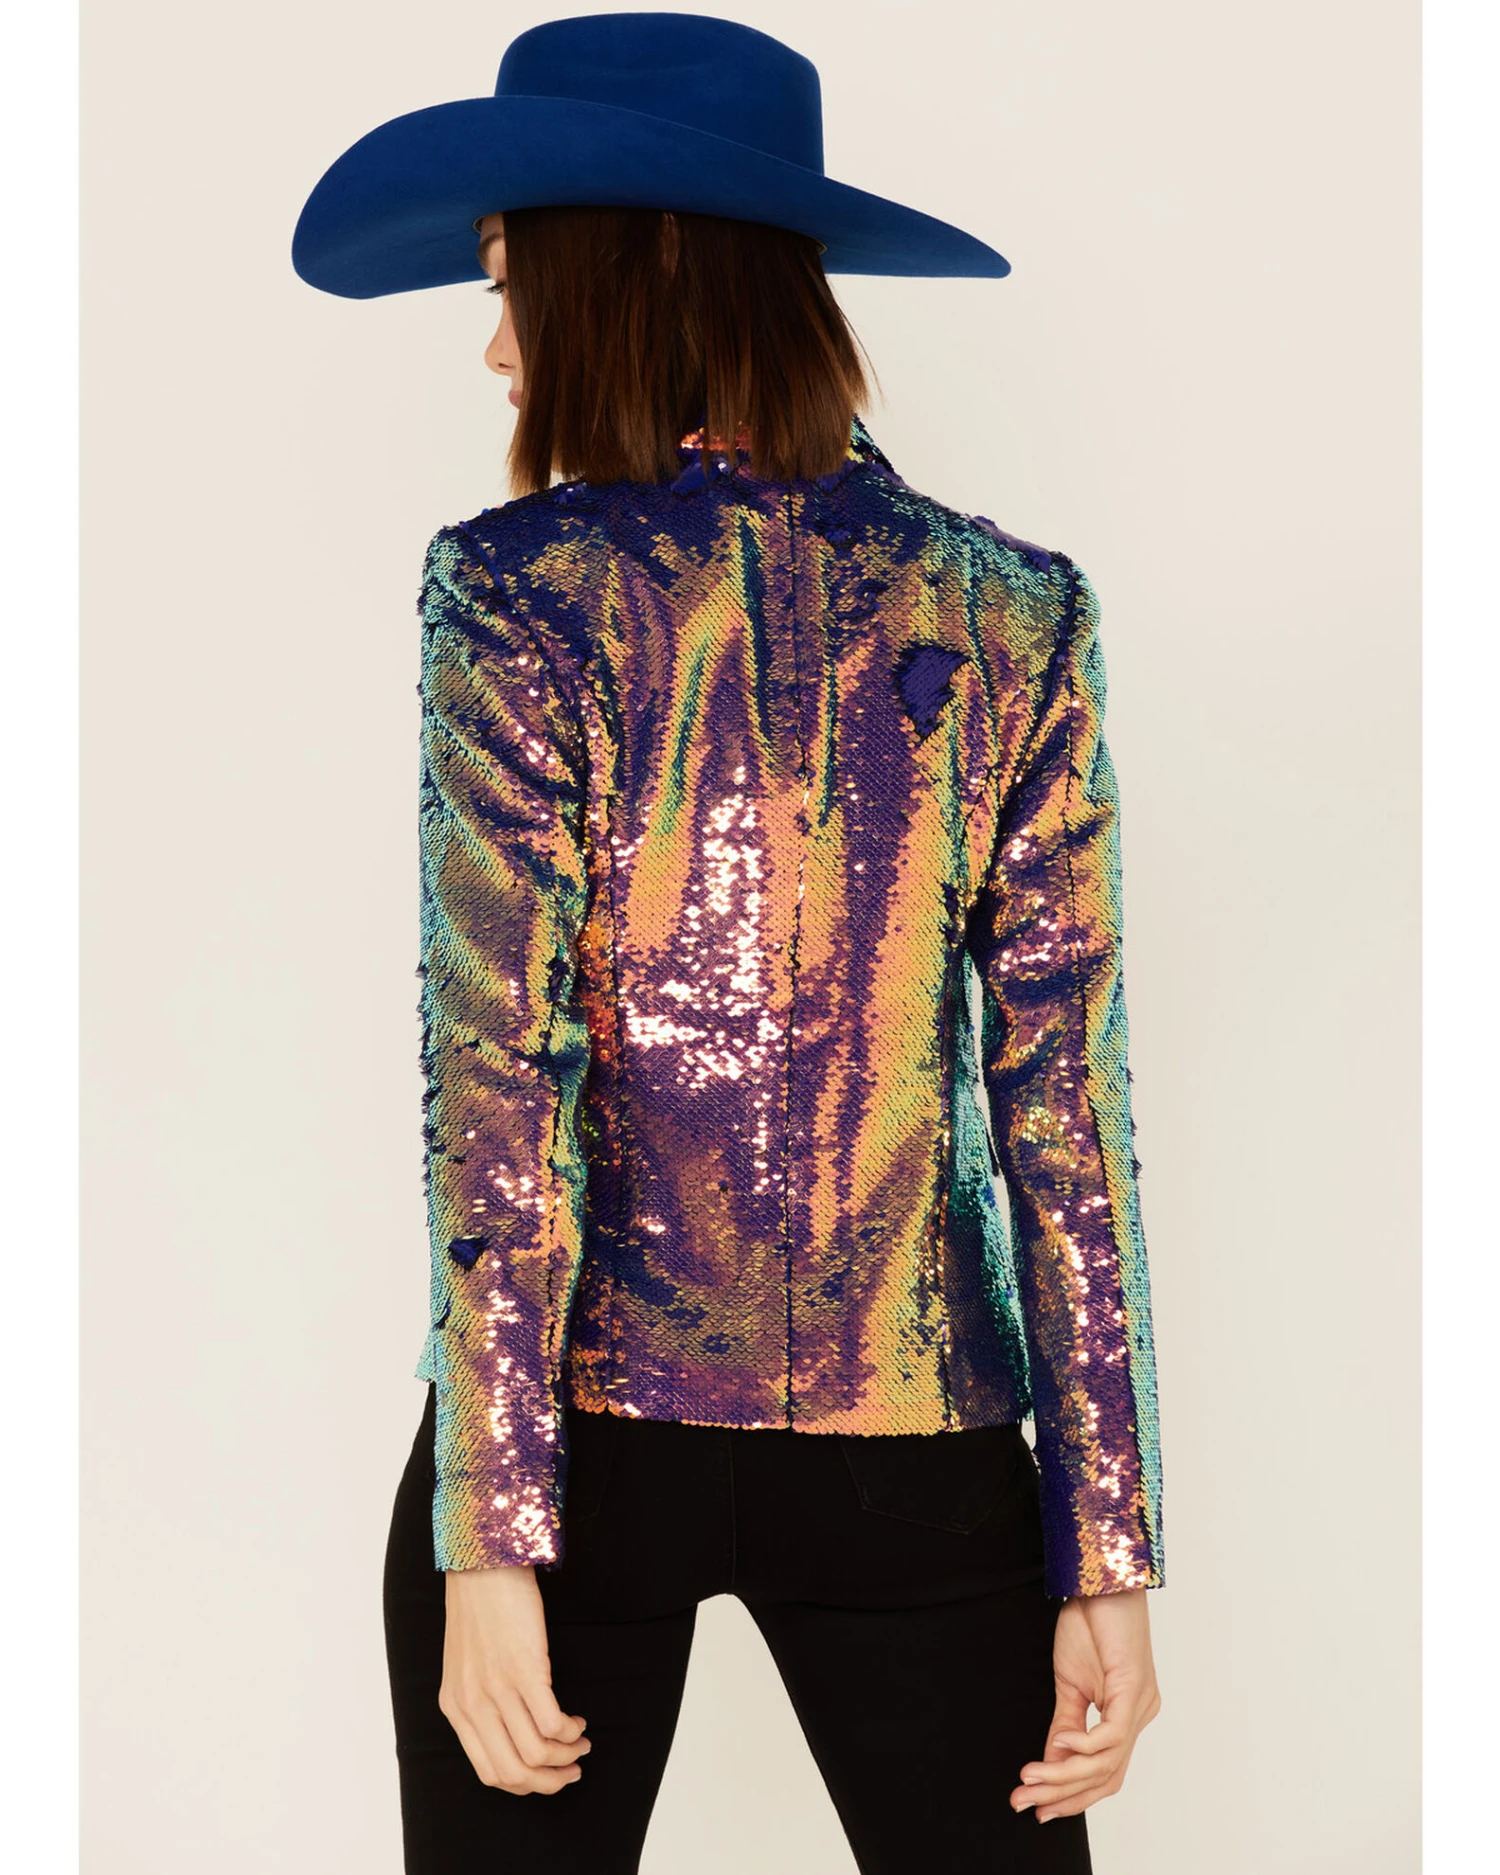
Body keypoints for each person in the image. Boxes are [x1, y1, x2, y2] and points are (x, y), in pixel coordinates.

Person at [294, 14, 1165, 1872]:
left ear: (647, 262)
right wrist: (1104, 1536)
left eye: (508, 279)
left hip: (579, 1436)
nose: (496, 342)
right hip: (922, 1440)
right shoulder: (1014, 610)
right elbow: (1066, 1121)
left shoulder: (514, 592)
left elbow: (497, 1082)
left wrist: (490, 1531)